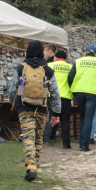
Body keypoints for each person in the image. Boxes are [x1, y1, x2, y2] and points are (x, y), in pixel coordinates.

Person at [10, 40, 60, 182]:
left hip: (25, 108)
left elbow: (13, 89)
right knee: (38, 137)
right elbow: (55, 93)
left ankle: (31, 167)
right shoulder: (48, 70)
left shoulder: (21, 68)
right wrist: (56, 113)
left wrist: (15, 104)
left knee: (28, 136)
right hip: (42, 109)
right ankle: (34, 166)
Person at [67, 44, 96, 151]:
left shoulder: (78, 61)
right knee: (89, 118)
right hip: (92, 93)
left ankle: (81, 142)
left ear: (85, 52)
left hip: (79, 92)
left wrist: (74, 89)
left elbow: (70, 77)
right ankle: (85, 144)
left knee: (83, 117)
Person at [49, 49, 74, 148]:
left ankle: (48, 139)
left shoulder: (50, 66)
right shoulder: (71, 67)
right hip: (65, 97)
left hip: (52, 96)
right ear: (65, 58)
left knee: (50, 118)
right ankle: (66, 144)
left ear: (55, 57)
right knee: (65, 120)